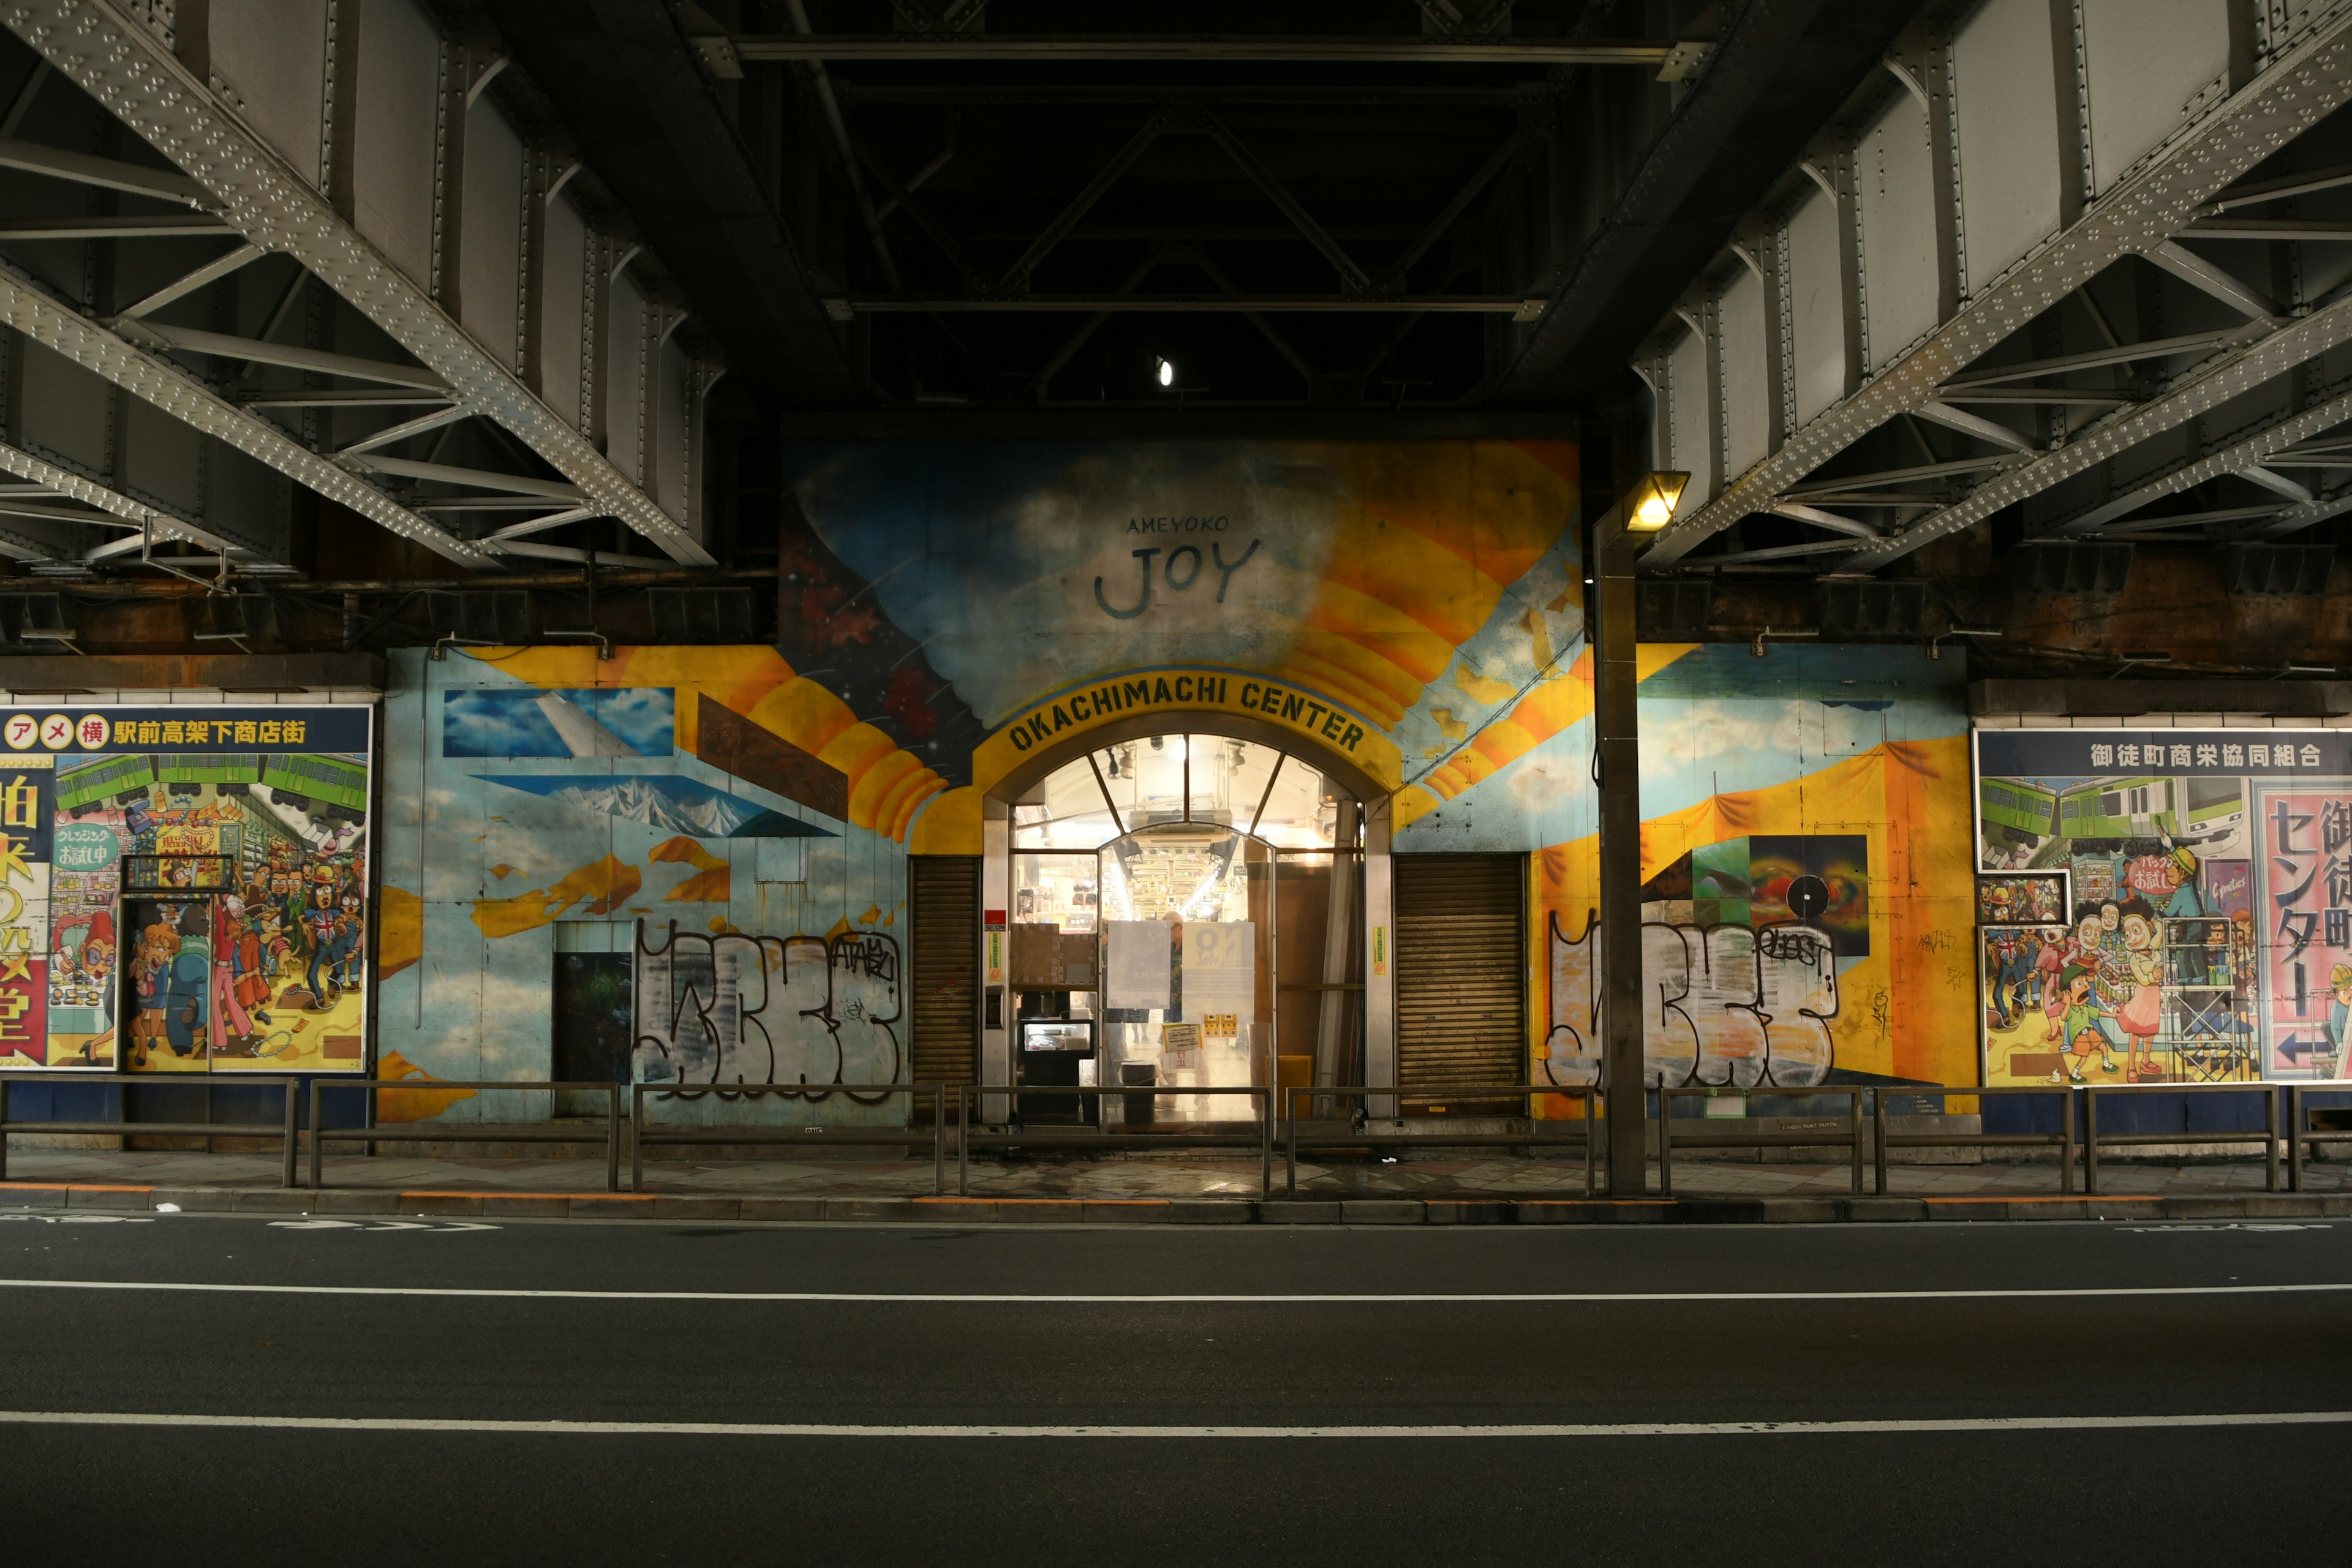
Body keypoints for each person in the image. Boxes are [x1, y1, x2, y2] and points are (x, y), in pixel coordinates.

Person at [2049, 964, 2124, 1084]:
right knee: (2083, 1059)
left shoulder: (2086, 1006)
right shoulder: (2071, 1010)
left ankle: (2106, 1065)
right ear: (2067, 993)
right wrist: (2068, 1003)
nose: (2086, 987)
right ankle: (2074, 1074)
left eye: (2085, 982)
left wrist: (2112, 1015)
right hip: (2080, 1037)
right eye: (2079, 984)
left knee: (2103, 1048)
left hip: (2091, 1032)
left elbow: (2098, 1013)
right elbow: (2063, 1018)